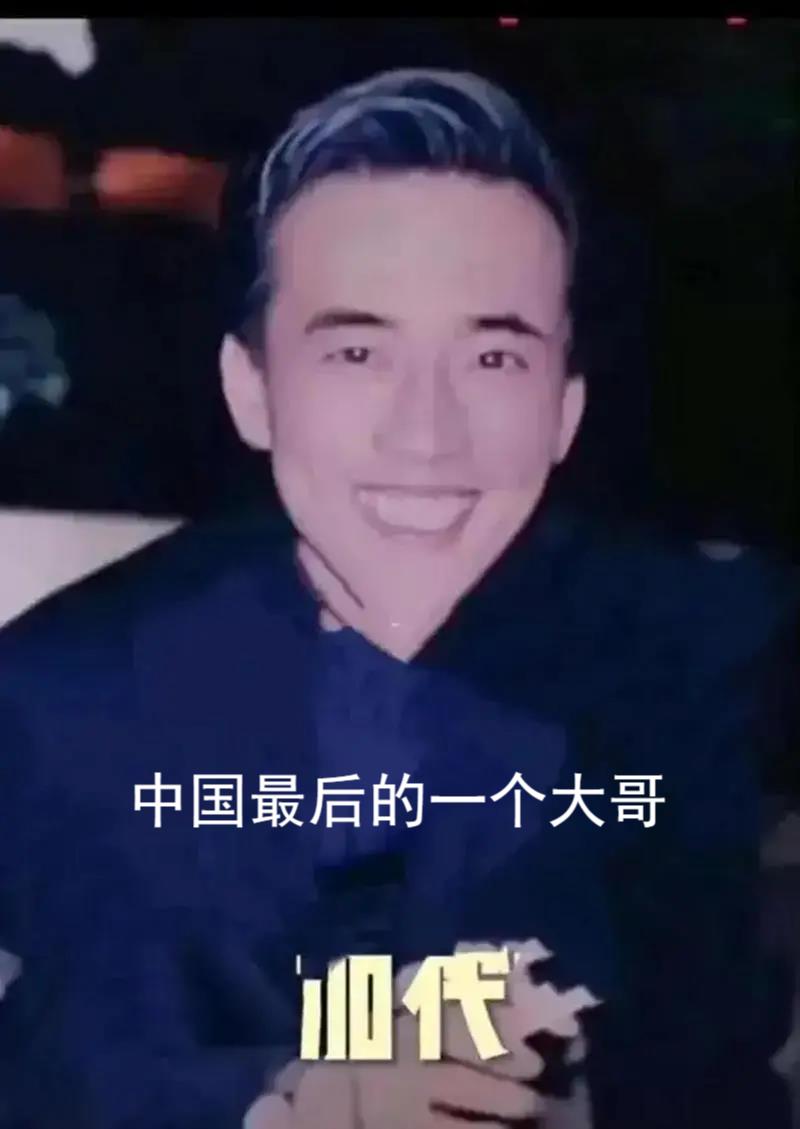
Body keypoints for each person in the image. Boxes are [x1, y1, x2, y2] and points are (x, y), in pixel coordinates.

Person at [0, 68, 794, 1129]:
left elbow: (707, 1055)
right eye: (358, 351)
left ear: (563, 408)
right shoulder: (65, 694)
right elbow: (67, 1055)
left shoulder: (682, 663)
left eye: (492, 356)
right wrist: (285, 1098)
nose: (426, 433)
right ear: (251, 388)